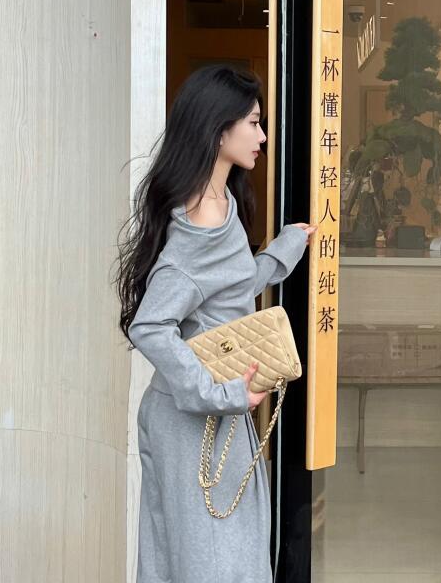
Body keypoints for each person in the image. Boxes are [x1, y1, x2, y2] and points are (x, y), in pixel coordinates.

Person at [113, 64, 317, 583]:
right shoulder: (201, 219)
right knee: (216, 564)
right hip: (196, 419)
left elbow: (229, 288)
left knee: (200, 558)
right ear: (219, 128)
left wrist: (286, 248)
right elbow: (150, 326)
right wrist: (216, 393)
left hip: (207, 412)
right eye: (254, 122)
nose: (263, 136)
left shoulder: (221, 204)